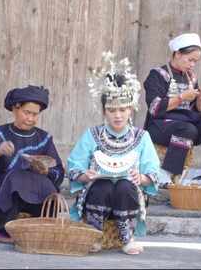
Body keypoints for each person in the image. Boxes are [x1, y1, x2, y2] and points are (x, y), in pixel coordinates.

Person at [68, 52, 160, 255]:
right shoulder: (92, 135)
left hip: (128, 192)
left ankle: (127, 237)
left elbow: (153, 170)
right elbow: (74, 165)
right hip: (98, 191)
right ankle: (94, 234)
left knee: (125, 186)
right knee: (102, 186)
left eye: (123, 109)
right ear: (103, 111)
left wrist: (142, 177)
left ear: (131, 110)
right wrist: (85, 175)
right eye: (111, 110)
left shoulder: (141, 137)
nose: (117, 115)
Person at [142, 33, 201, 199]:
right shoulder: (157, 75)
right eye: (189, 60)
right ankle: (165, 173)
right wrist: (182, 97)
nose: (192, 65)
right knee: (187, 128)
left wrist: (200, 100)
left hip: (185, 124)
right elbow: (154, 108)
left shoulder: (191, 77)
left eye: (195, 62)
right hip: (159, 125)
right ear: (177, 54)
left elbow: (195, 112)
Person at [0, 85, 64, 243]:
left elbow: (58, 173)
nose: (30, 118)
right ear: (15, 109)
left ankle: (46, 230)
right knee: (16, 178)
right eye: (27, 112)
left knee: (48, 189)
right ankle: (2, 231)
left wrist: (45, 171)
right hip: (4, 196)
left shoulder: (44, 138)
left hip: (35, 197)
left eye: (35, 114)